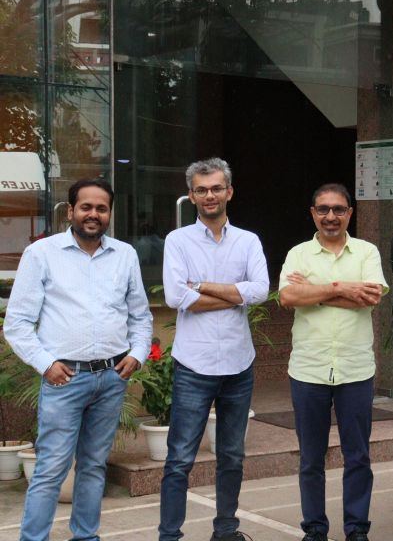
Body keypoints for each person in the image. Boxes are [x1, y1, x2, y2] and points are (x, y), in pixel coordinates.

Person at [4, 178, 153, 541]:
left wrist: (137, 354)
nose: (93, 214)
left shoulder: (125, 255)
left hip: (112, 378)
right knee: (51, 468)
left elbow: (140, 315)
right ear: (70, 211)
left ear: (109, 214)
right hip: (64, 379)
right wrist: (46, 364)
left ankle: (86, 536)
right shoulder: (42, 254)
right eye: (86, 207)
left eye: (101, 208)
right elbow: (17, 324)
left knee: (93, 466)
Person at [159, 158, 269, 541]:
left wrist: (202, 286)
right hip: (194, 365)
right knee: (179, 459)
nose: (210, 195)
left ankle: (225, 531)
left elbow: (261, 291)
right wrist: (235, 294)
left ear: (229, 192)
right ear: (191, 196)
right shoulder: (178, 241)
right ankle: (169, 535)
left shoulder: (248, 241)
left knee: (232, 457)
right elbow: (176, 297)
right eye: (202, 189)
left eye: (216, 188)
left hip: (239, 365)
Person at [278, 184, 387, 541]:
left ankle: (356, 529)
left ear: (349, 213)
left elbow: (370, 297)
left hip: (355, 370)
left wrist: (315, 291)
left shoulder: (367, 252)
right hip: (308, 370)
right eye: (323, 209)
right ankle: (315, 529)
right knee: (311, 458)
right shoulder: (298, 254)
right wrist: (342, 289)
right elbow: (287, 297)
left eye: (338, 209)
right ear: (313, 213)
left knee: (358, 456)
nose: (330, 216)